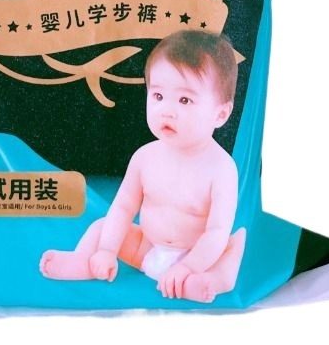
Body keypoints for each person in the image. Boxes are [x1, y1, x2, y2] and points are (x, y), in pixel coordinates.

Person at [40, 30, 247, 303]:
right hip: (147, 249)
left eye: (184, 100)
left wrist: (187, 266)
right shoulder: (145, 157)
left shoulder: (221, 169)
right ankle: (85, 260)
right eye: (158, 96)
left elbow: (216, 233)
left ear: (220, 114)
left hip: (198, 257)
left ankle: (203, 283)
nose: (166, 110)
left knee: (229, 251)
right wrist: (107, 250)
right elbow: (124, 207)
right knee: (103, 226)